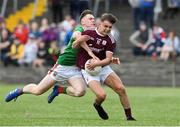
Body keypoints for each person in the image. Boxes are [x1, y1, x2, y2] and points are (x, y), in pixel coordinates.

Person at [5, 10, 97, 102]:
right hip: (62, 66)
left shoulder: (94, 35)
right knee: (38, 91)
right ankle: (20, 91)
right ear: (83, 22)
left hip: (75, 68)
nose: (93, 20)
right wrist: (89, 52)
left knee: (81, 91)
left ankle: (59, 89)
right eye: (90, 18)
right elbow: (77, 36)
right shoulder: (79, 29)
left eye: (93, 19)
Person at [73, 13, 136, 121]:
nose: (107, 29)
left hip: (102, 67)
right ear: (99, 23)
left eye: (110, 27)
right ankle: (97, 105)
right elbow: (79, 40)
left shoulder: (110, 41)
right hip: (88, 70)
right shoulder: (89, 32)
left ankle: (129, 117)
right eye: (105, 26)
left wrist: (96, 63)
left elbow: (107, 59)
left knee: (121, 89)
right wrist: (77, 41)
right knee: (102, 96)